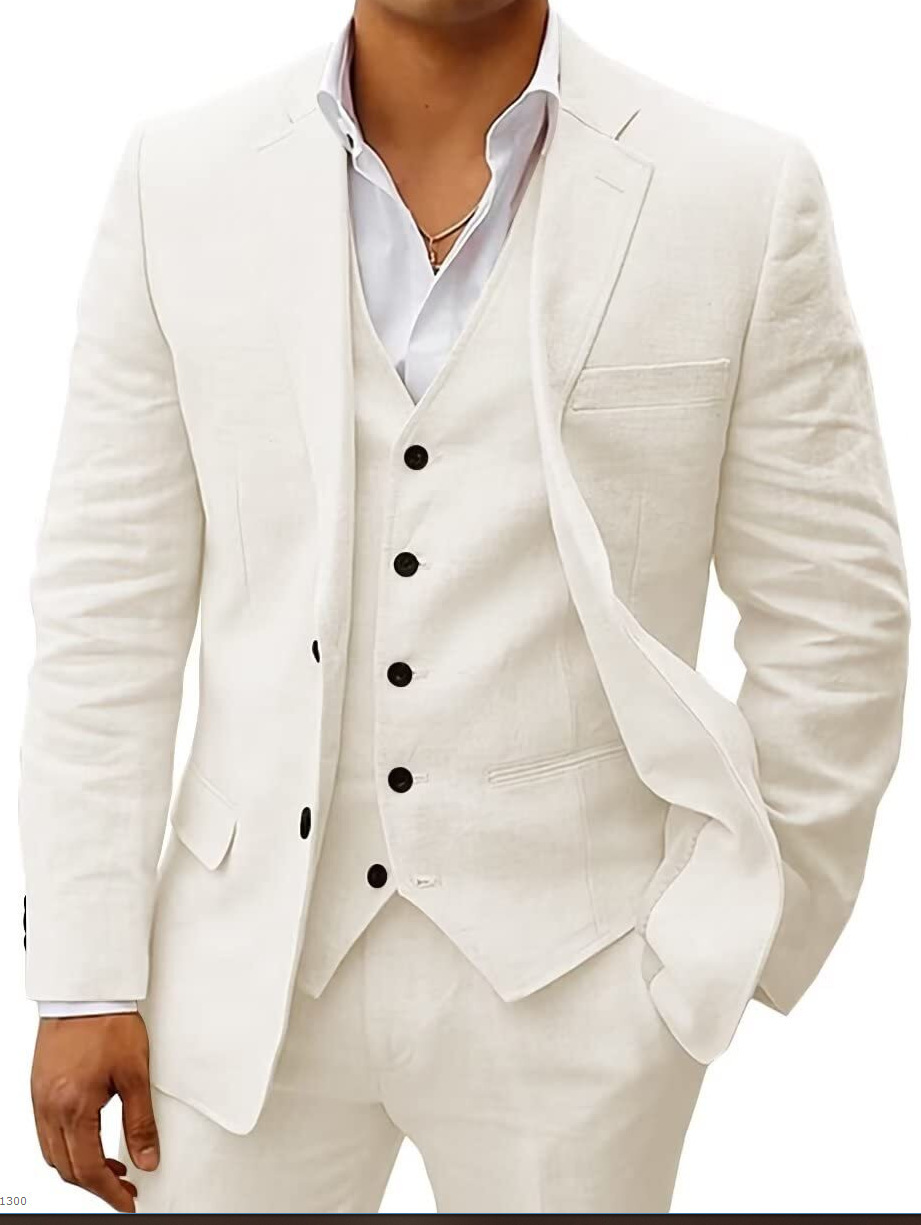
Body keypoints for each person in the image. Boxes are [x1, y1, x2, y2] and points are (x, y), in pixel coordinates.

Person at [19, 0, 909, 1213]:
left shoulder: (737, 193)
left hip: (585, 976)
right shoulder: (177, 180)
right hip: (237, 968)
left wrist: (731, 940)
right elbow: (105, 604)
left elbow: (838, 610)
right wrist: (85, 973)